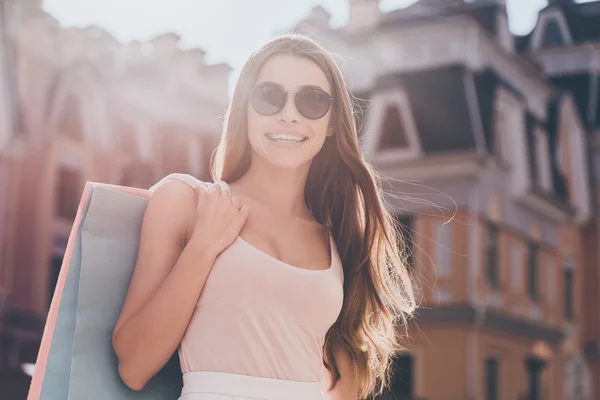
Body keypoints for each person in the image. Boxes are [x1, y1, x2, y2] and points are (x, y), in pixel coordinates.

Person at [111, 33, 417, 400]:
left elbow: (343, 386)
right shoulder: (187, 202)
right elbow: (134, 366)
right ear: (243, 108)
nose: (289, 114)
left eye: (312, 100)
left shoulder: (338, 239)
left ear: (333, 122)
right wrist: (203, 247)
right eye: (269, 96)